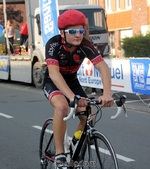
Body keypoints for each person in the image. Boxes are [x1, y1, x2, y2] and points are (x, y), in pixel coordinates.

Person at [43, 9, 114, 169]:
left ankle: (75, 142)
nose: (78, 35)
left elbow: (103, 68)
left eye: (81, 30)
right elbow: (54, 74)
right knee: (62, 106)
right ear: (62, 33)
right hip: (53, 81)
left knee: (89, 115)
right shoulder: (53, 44)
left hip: (72, 81)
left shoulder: (86, 45)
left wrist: (107, 94)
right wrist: (71, 98)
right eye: (73, 31)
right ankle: (60, 154)